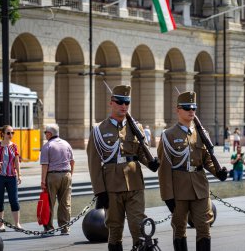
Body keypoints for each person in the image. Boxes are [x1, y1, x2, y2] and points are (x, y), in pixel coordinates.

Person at [87, 85, 156, 251]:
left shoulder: (136, 128)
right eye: (119, 102)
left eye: (127, 102)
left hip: (135, 183)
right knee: (115, 229)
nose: (123, 106)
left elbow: (140, 153)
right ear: (111, 103)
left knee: (139, 226)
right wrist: (100, 191)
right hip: (111, 186)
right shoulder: (98, 130)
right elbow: (94, 164)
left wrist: (151, 163)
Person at [158, 91, 224, 251]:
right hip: (179, 190)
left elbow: (207, 159)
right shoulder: (168, 135)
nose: (191, 111)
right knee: (179, 228)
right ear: (178, 110)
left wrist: (218, 172)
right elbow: (164, 169)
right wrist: (167, 196)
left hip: (200, 188)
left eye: (193, 107)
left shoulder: (201, 133)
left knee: (204, 226)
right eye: (187, 107)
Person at [40, 124, 75, 235]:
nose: (45, 135)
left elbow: (45, 165)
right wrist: (70, 175)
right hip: (66, 175)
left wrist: (43, 181)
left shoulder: (47, 146)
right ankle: (65, 228)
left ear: (50, 134)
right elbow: (72, 162)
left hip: (52, 176)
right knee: (65, 203)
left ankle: (49, 229)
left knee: (50, 203)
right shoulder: (66, 144)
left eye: (46, 133)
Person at [0, 125, 22, 232]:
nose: (10, 135)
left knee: (14, 201)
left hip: (12, 177)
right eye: (8, 133)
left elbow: (16, 161)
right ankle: (1, 224)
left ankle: (17, 223)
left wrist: (19, 175)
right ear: (3, 134)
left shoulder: (14, 146)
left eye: (12, 133)